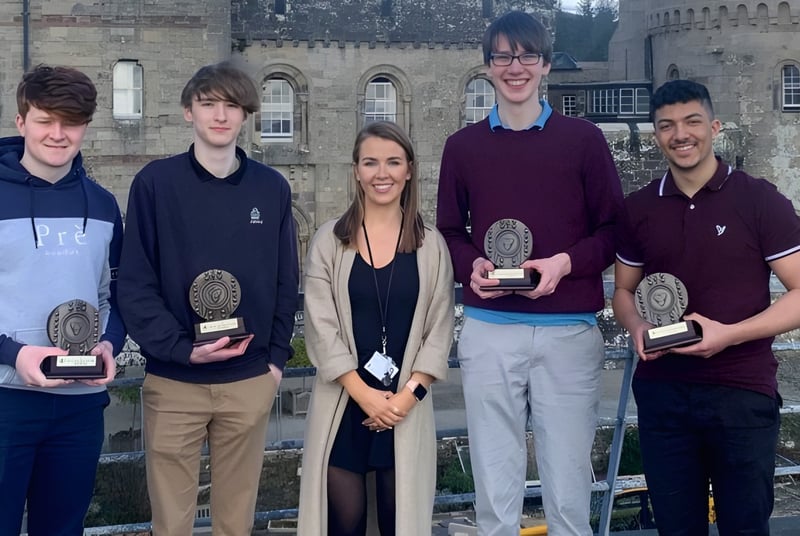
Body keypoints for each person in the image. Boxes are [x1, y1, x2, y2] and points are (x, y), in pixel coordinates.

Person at [436, 11, 624, 536]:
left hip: (568, 334)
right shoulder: (462, 147)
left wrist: (564, 264)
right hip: (489, 329)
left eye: (526, 56)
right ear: (488, 66)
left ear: (545, 65)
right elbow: (449, 231)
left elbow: (613, 231)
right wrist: (470, 263)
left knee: (568, 492)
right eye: (502, 56)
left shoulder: (583, 141)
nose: (514, 67)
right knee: (495, 492)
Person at [117, 61, 298, 535]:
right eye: (208, 104)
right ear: (187, 112)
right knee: (171, 523)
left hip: (248, 379)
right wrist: (179, 349)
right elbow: (135, 284)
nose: (220, 115)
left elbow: (285, 282)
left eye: (232, 106)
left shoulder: (272, 188)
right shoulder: (155, 184)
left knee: (235, 521)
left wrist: (275, 362)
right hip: (175, 382)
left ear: (245, 115)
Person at [612, 79, 800, 535]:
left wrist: (727, 335)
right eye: (667, 125)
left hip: (741, 392)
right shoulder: (638, 208)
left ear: (714, 126)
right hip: (663, 395)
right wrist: (636, 325)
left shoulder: (760, 199)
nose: (681, 134)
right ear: (656, 135)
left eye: (692, 121)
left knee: (744, 527)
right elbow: (622, 292)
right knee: (676, 529)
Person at [297, 121, 454, 535]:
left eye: (392, 162)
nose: (381, 173)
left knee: (398, 522)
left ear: (409, 170)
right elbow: (320, 325)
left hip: (406, 409)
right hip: (344, 406)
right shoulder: (329, 242)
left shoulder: (431, 245)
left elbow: (438, 331)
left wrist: (405, 398)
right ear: (356, 171)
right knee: (342, 525)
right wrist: (365, 395)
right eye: (370, 163)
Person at [0, 65, 124, 535]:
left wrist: (109, 344)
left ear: (85, 127)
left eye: (70, 122)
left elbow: (113, 292)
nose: (57, 134)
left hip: (80, 406)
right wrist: (14, 354)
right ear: (20, 122)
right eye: (44, 119)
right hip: (6, 401)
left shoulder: (105, 204)